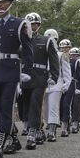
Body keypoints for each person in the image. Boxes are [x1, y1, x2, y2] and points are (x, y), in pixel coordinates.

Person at [0, 0, 33, 158]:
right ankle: (13, 137)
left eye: (3, 2)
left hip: (12, 71)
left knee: (6, 106)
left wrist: (26, 71)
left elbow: (28, 49)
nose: (0, 6)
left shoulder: (19, 23)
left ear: (11, 3)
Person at [19, 13, 59, 150]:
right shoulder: (21, 40)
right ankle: (38, 130)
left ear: (39, 25)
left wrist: (54, 76)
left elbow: (54, 61)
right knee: (25, 104)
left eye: (35, 24)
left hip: (40, 76)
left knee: (35, 104)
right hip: (25, 76)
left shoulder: (46, 40)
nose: (32, 26)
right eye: (29, 24)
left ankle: (31, 135)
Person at [43, 30, 70, 142]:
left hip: (57, 83)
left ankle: (52, 132)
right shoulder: (42, 53)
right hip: (43, 83)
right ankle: (45, 128)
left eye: (53, 39)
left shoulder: (61, 55)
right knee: (45, 109)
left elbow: (67, 72)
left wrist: (66, 85)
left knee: (53, 108)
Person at [61, 44, 80, 137]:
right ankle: (66, 123)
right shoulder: (61, 59)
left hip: (72, 84)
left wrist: (78, 87)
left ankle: (69, 125)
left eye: (75, 54)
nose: (74, 56)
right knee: (62, 105)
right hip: (62, 83)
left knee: (70, 105)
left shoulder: (76, 62)